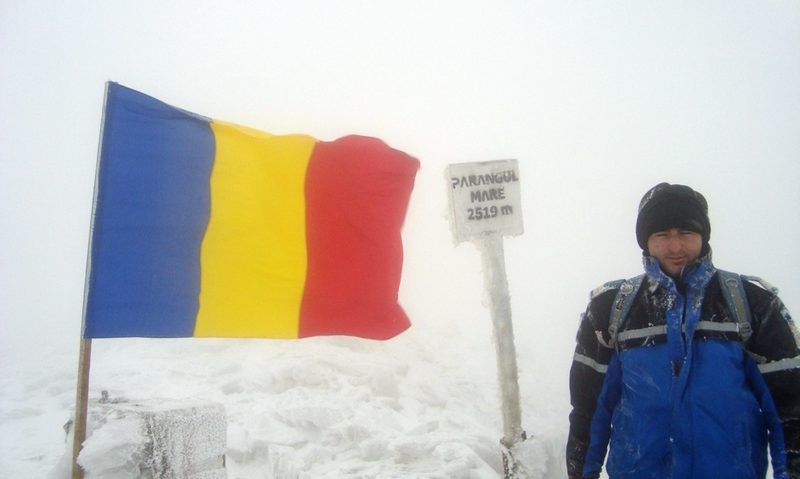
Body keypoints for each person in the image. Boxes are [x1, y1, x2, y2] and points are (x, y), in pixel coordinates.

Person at [566, 183, 800, 479]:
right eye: (662, 235)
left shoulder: (753, 304)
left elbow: (791, 412)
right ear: (646, 241)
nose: (675, 247)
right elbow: (588, 412)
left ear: (703, 236)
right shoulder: (609, 309)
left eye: (686, 233)